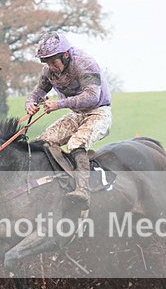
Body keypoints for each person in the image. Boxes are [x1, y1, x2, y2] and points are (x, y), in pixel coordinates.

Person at [25, 32, 112, 208]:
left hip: (98, 112)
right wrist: (31, 103)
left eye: (53, 61)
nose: (50, 66)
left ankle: (83, 189)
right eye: (46, 62)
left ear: (65, 55)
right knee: (41, 142)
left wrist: (59, 104)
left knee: (76, 143)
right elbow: (38, 92)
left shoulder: (85, 63)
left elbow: (92, 97)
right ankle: (56, 182)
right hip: (76, 114)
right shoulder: (49, 70)